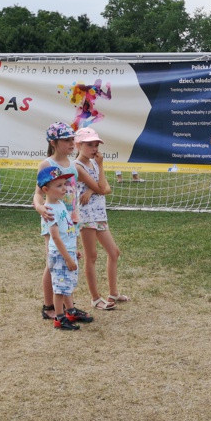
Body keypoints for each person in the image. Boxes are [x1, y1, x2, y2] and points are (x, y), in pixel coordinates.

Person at [33, 123, 91, 321]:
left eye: (72, 139)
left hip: (69, 220)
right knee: (54, 262)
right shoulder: (47, 165)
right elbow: (38, 194)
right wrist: (40, 208)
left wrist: (75, 213)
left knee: (67, 262)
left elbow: (75, 192)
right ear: (53, 142)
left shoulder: (73, 165)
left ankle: (69, 308)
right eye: (66, 140)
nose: (71, 143)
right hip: (52, 218)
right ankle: (49, 306)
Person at [74, 128, 129, 308]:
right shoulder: (77, 166)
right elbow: (101, 188)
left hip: (99, 214)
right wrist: (95, 188)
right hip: (86, 215)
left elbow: (106, 188)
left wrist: (101, 168)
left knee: (114, 252)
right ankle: (95, 298)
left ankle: (113, 293)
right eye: (89, 144)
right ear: (78, 145)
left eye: (96, 144)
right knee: (92, 256)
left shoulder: (95, 163)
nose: (94, 148)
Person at [37, 165, 87, 330]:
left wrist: (74, 250)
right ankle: (59, 318)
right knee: (59, 287)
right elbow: (56, 237)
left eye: (65, 184)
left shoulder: (60, 204)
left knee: (68, 284)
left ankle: (71, 310)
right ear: (45, 189)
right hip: (59, 255)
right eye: (59, 186)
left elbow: (67, 231)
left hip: (67, 251)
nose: (64, 188)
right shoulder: (50, 209)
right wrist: (67, 257)